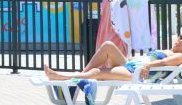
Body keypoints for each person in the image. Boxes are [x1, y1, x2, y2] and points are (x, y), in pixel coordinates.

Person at [44, 33, 182, 82]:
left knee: (97, 73)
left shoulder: (179, 56)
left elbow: (163, 63)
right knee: (108, 45)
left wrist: (147, 65)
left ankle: (61, 77)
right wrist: (134, 59)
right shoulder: (166, 49)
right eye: (180, 37)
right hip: (130, 65)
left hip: (137, 74)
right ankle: (81, 76)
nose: (179, 40)